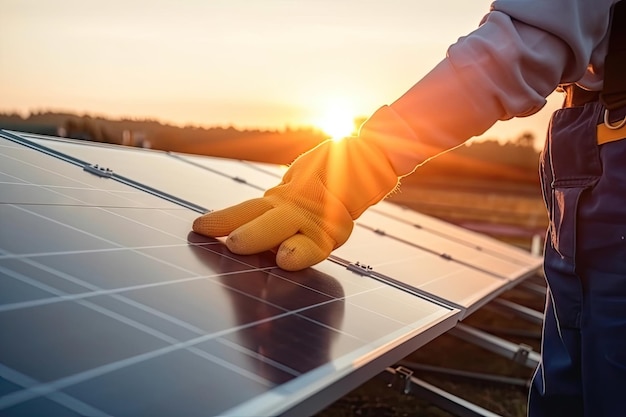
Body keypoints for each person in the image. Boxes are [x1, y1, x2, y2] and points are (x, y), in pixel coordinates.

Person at [192, 1, 626, 415]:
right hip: (591, 145)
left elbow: (525, 45)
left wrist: (370, 157)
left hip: (611, 162)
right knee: (579, 379)